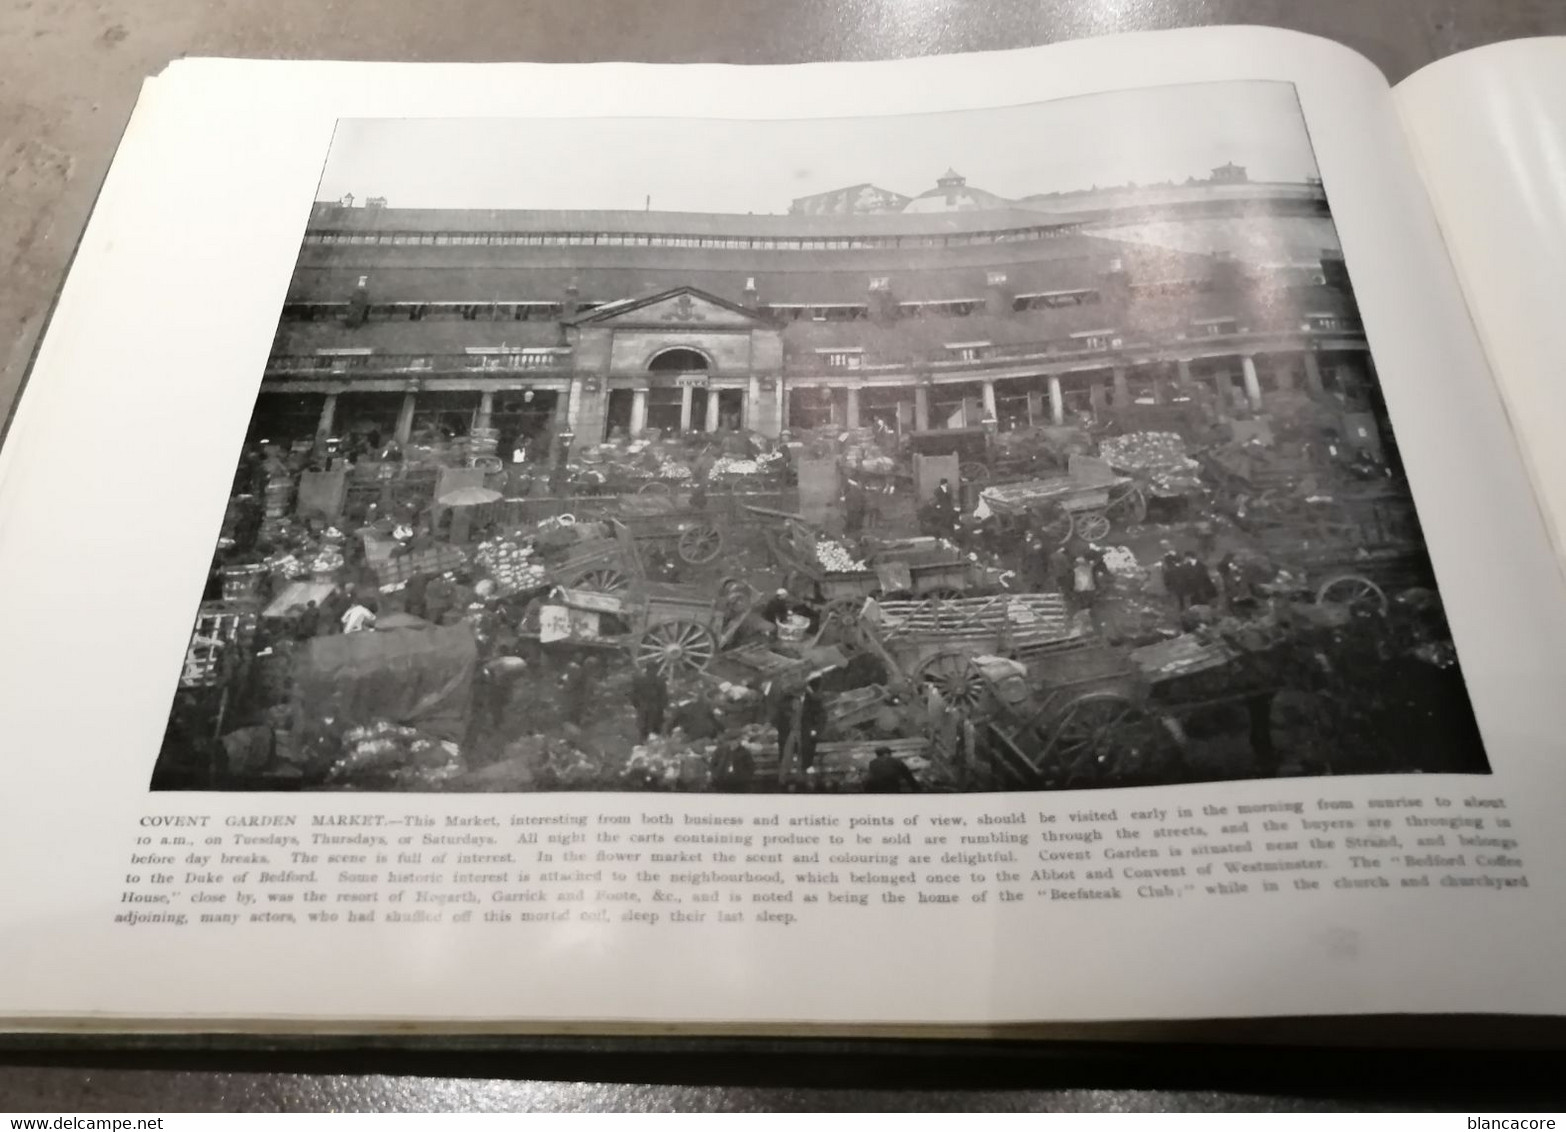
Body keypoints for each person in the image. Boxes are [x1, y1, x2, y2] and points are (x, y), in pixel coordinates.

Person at [629, 660, 669, 741]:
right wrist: (662, 707)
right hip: (656, 709)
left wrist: (637, 706)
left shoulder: (639, 681)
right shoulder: (660, 681)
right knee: (656, 731)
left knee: (643, 730)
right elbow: (664, 697)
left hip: (643, 707)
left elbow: (633, 695)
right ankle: (653, 747)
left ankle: (642, 745)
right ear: (656, 669)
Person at [798, 679, 827, 773]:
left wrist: (815, 729)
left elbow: (819, 714)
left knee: (808, 747)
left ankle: (806, 766)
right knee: (806, 747)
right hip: (804, 726)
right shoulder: (808, 698)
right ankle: (805, 766)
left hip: (809, 726)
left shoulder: (813, 698)